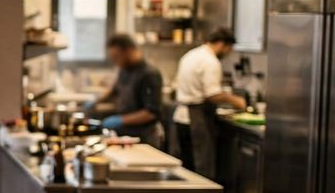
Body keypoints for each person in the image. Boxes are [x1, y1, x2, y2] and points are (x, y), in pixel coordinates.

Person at [174, 28, 247, 178]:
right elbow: (213, 94)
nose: (227, 53)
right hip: (197, 119)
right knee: (202, 168)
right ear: (221, 44)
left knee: (185, 168)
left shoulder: (191, 55)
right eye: (229, 49)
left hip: (180, 117)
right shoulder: (210, 61)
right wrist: (236, 101)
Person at [92, 34, 165, 148]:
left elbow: (151, 113)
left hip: (144, 136)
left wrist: (121, 120)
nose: (115, 61)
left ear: (129, 51)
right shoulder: (124, 70)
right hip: (126, 134)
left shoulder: (149, 74)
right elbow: (114, 90)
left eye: (116, 57)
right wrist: (95, 101)